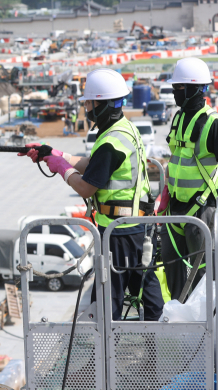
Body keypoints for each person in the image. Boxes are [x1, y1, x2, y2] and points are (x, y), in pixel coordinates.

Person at [20, 68, 163, 321]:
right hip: (134, 227)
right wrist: (54, 154)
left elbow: (86, 186)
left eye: (89, 102)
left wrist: (62, 169)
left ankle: (109, 354)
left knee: (109, 302)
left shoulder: (111, 142)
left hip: (121, 233)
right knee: (146, 292)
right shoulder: (122, 130)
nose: (86, 108)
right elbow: (92, 164)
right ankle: (157, 341)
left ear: (103, 104)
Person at [157, 57, 216, 301]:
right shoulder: (179, 118)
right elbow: (176, 161)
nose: (175, 92)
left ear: (197, 89)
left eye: (180, 88)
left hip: (201, 210)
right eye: (175, 88)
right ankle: (181, 318)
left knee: (204, 274)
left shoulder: (212, 124)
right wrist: (164, 196)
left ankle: (207, 326)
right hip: (175, 209)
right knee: (172, 268)